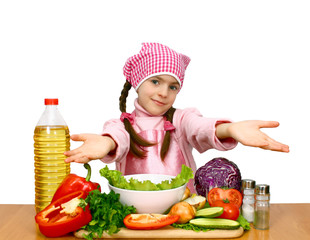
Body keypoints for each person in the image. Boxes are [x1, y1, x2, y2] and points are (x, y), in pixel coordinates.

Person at [64, 43, 289, 192]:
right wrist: (104, 143)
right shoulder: (121, 125)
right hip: (134, 214)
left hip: (183, 210)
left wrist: (229, 129)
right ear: (137, 82)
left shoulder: (181, 120)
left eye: (173, 86)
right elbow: (116, 139)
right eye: (155, 81)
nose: (164, 92)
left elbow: (199, 127)